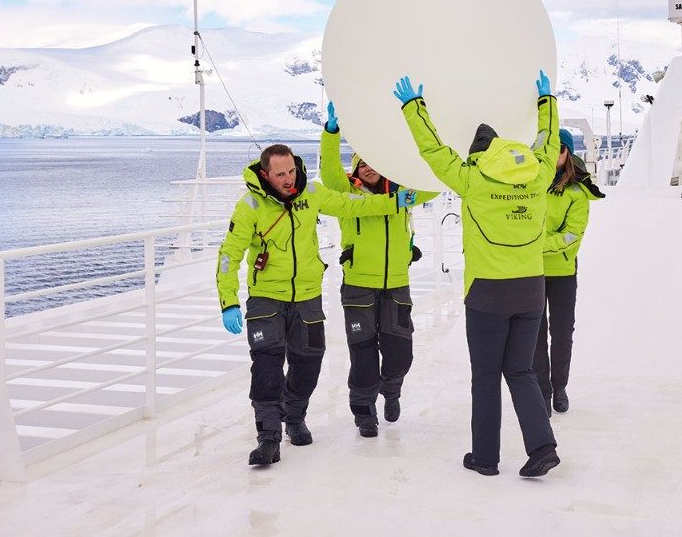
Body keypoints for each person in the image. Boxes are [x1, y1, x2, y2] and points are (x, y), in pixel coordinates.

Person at [395, 70, 562, 479]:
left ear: (479, 155)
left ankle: (485, 458)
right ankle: (542, 447)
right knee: (520, 370)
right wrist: (547, 102)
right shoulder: (538, 175)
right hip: (530, 290)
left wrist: (413, 108)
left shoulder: (471, 179)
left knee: (486, 377)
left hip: (488, 294)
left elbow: (433, 152)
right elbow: (548, 142)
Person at [217, 143, 417, 467]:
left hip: (308, 296)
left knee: (308, 361)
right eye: (280, 174)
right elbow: (229, 255)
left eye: (291, 171)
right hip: (266, 297)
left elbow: (351, 205)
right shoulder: (250, 205)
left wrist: (394, 200)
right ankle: (268, 438)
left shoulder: (311, 192)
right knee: (267, 366)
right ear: (266, 174)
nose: (287, 178)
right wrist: (228, 301)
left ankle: (294, 416)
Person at [319, 102, 439, 437]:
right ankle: (364, 412)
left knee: (400, 351)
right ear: (355, 167)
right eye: (362, 162)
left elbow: (436, 180)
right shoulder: (345, 192)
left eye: (375, 161)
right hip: (358, 284)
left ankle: (392, 388)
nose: (369, 167)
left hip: (397, 283)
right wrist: (331, 133)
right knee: (363, 354)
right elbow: (328, 170)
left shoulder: (404, 192)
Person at [534, 128, 605, 415]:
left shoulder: (577, 194)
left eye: (559, 149)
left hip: (562, 272)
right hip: (532, 272)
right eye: (548, 148)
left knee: (562, 332)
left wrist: (533, 245)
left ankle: (559, 386)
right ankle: (542, 389)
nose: (554, 155)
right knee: (535, 334)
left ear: (568, 154)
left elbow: (571, 235)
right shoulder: (529, 185)